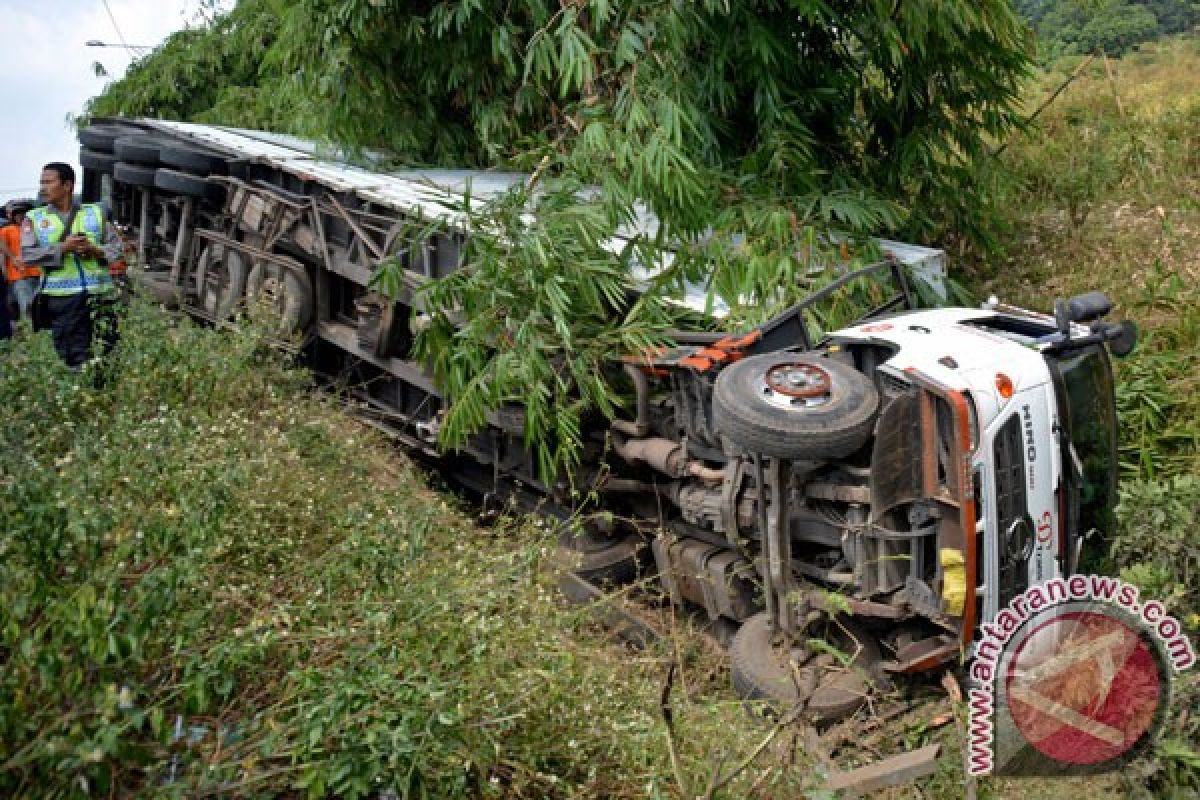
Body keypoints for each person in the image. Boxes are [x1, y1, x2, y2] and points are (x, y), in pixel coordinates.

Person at [21, 163, 123, 367]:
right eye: (42, 182)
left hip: (100, 295)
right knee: (73, 356)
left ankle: (103, 396)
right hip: (62, 300)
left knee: (108, 352)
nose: (43, 187)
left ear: (67, 185)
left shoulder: (95, 213)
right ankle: (82, 395)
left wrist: (94, 250)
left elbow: (116, 248)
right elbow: (28, 255)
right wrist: (63, 248)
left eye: (49, 182)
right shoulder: (35, 218)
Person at [2, 200, 40, 324]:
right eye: (17, 214)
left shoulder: (35, 227)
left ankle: (38, 333)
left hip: (38, 273)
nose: (20, 216)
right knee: (26, 306)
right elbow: (1, 248)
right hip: (18, 275)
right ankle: (30, 333)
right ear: (13, 216)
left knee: (38, 306)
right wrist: (12, 259)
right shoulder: (7, 230)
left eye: (23, 213)